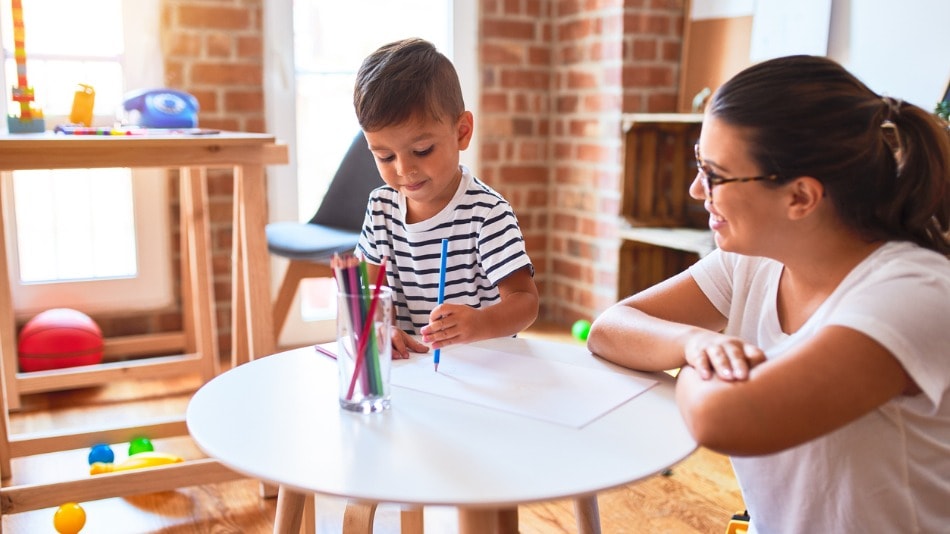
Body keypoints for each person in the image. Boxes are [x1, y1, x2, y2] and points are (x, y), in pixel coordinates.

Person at [587, 55, 950, 532]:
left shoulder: (911, 293)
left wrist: (694, 363)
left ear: (800, 197)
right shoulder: (753, 259)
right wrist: (697, 343)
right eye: (700, 164)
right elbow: (610, 328)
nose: (698, 190)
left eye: (715, 174)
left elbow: (724, 419)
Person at [354, 38, 539, 359]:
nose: (405, 169)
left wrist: (480, 323)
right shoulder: (381, 208)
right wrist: (382, 326)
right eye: (384, 156)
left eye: (422, 150)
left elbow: (525, 301)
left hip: (486, 365)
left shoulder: (487, 213)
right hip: (415, 368)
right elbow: (370, 291)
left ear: (462, 132)